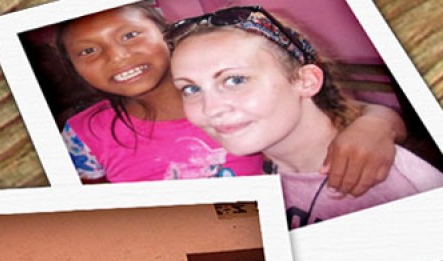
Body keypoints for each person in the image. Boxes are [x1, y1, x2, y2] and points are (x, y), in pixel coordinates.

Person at [55, 2, 406, 193]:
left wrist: (375, 126)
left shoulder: (238, 103)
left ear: (165, 32)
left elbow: (340, 112)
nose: (116, 57)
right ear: (72, 67)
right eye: (88, 51)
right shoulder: (83, 134)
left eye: (131, 35)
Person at [167, 6, 443, 227]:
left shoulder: (387, 182)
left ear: (306, 81)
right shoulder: (248, 170)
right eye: (190, 88)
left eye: (235, 80)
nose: (210, 108)